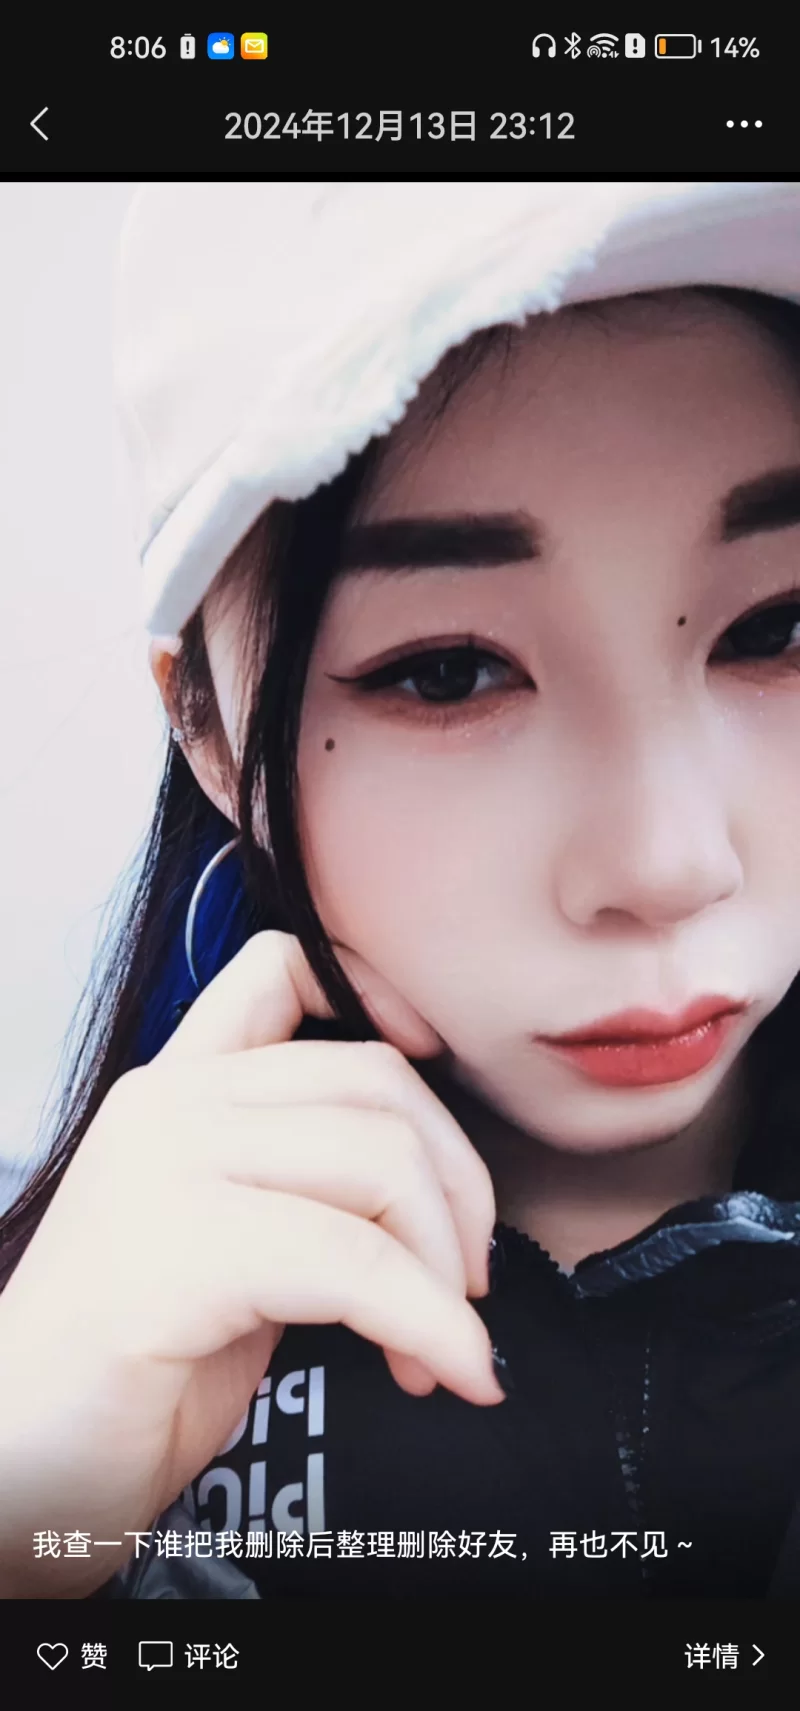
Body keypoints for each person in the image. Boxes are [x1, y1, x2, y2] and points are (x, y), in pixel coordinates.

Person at [3, 181, 800, 1600]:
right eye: (449, 671)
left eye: (778, 628)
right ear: (210, 729)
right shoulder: (52, 1336)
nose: (670, 864)